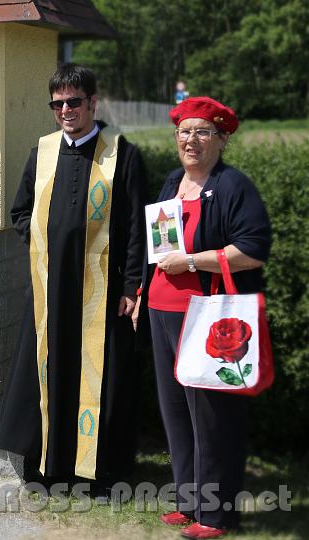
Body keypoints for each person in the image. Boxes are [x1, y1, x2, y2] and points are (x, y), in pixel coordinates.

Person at [0, 64, 146, 489]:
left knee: (98, 376)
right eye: (57, 103)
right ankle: (47, 466)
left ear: (93, 103)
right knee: (48, 372)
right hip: (51, 290)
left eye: (74, 101)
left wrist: (133, 285)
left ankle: (97, 472)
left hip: (102, 288)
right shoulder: (42, 152)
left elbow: (136, 227)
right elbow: (20, 211)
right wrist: (42, 241)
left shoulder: (122, 153)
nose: (65, 110)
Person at [133, 97, 271, 539]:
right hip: (161, 311)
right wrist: (139, 292)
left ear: (222, 139)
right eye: (185, 132)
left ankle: (216, 513)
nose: (191, 140)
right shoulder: (174, 181)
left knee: (212, 416)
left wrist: (192, 262)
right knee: (176, 412)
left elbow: (251, 250)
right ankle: (189, 501)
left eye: (203, 132)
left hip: (205, 318)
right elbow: (157, 248)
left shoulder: (233, 187)